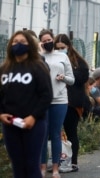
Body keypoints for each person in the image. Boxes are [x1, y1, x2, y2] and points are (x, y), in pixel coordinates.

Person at [0, 30, 53, 178]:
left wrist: (33, 117)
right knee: (17, 166)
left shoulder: (38, 67)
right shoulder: (4, 69)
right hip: (10, 124)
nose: (18, 45)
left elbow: (46, 95)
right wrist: (1, 114)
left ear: (30, 45)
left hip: (33, 124)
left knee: (31, 165)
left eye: (22, 42)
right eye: (15, 42)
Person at [39, 29, 75, 178]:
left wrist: (63, 78)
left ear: (53, 40)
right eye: (44, 41)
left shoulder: (62, 56)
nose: (48, 43)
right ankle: (41, 168)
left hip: (60, 100)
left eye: (49, 40)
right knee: (42, 134)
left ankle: (55, 168)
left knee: (55, 134)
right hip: (42, 100)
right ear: (41, 43)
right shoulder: (38, 57)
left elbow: (72, 80)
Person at [54, 34, 89, 172]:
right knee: (54, 133)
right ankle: (56, 161)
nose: (61, 50)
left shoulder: (78, 62)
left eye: (63, 48)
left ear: (68, 47)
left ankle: (72, 161)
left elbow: (82, 78)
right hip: (56, 99)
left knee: (71, 132)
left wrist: (67, 75)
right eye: (58, 48)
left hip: (72, 102)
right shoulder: (51, 59)